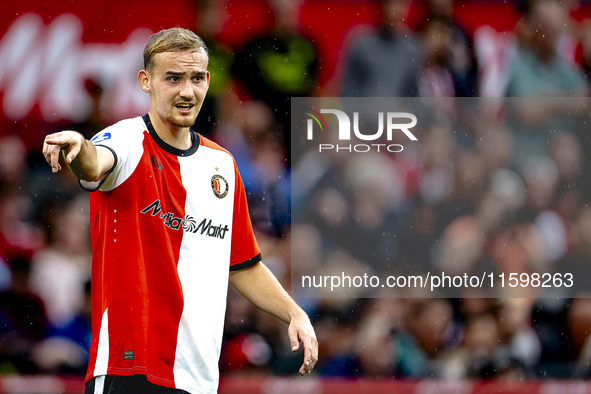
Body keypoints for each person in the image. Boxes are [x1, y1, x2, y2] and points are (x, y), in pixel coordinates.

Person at [42, 28, 318, 394]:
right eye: (173, 78)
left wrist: (294, 313)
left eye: (197, 78)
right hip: (130, 371)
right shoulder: (125, 140)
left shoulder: (222, 165)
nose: (188, 91)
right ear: (146, 81)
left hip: (199, 379)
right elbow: (95, 163)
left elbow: (243, 265)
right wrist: (80, 144)